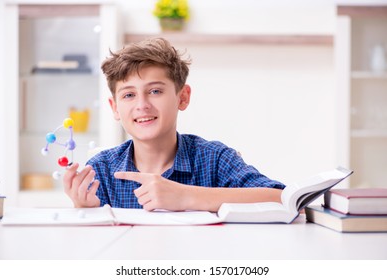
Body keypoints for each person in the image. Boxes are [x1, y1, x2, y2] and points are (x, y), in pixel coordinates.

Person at [63, 37, 285, 212]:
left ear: (183, 97)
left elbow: (282, 199)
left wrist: (186, 196)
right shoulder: (101, 169)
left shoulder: (214, 159)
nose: (142, 105)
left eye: (155, 91)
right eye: (129, 95)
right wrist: (85, 211)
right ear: (114, 107)